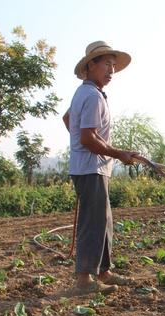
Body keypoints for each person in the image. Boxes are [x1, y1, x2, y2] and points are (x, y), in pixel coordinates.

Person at [63, 41, 138, 294]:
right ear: (90, 65)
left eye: (113, 65)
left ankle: (103, 272)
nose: (111, 70)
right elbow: (87, 138)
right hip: (90, 168)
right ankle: (84, 279)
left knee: (103, 221)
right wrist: (119, 154)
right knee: (93, 223)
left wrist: (80, 143)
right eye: (106, 64)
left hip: (92, 167)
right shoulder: (93, 95)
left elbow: (68, 119)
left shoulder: (84, 93)